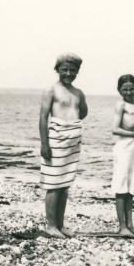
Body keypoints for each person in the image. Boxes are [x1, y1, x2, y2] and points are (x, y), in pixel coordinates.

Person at [39, 53, 88, 238]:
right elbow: (43, 117)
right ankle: (51, 225)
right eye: (64, 69)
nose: (68, 73)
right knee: (53, 184)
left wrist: (71, 126)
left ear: (77, 72)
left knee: (64, 184)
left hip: (72, 142)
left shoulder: (78, 92)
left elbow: (82, 111)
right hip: (55, 141)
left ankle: (60, 224)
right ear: (57, 69)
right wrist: (45, 143)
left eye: (73, 70)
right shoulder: (51, 90)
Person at [111, 74, 134, 237]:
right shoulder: (121, 105)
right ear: (119, 90)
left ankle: (131, 225)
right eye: (125, 89)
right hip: (123, 148)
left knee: (131, 186)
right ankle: (122, 226)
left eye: (132, 88)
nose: (129, 91)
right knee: (121, 186)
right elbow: (115, 129)